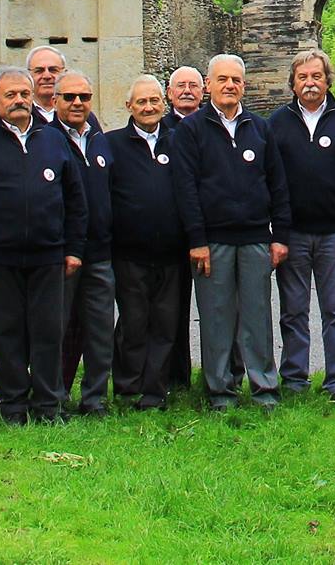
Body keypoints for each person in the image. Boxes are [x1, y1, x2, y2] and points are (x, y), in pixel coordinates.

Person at [0, 67, 85, 423]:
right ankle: (12, 404)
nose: (20, 101)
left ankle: (47, 404)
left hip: (48, 255)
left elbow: (76, 200)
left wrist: (73, 249)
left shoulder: (54, 141)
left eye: (24, 94)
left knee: (48, 332)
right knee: (8, 333)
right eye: (10, 95)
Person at [172, 53, 290, 411]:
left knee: (258, 317)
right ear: (208, 85)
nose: (229, 86)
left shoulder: (259, 127)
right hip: (213, 241)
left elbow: (277, 184)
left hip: (255, 238)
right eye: (222, 79)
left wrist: (279, 235)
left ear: (244, 85)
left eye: (235, 80)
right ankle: (221, 390)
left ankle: (264, 387)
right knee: (216, 318)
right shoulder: (191, 130)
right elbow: (186, 189)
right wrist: (197, 241)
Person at [266, 49, 335, 404]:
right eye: (303, 77)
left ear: (327, 80)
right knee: (293, 311)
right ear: (293, 83)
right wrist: (276, 232)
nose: (310, 83)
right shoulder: (275, 124)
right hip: (291, 234)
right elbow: (270, 182)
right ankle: (294, 378)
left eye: (316, 76)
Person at [107, 75, 186, 411]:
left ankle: (155, 390)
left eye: (154, 101)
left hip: (171, 253)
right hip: (129, 253)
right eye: (142, 102)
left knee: (166, 325)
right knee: (133, 323)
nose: (149, 107)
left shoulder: (180, 141)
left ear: (163, 103)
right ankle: (127, 388)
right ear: (129, 107)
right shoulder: (111, 144)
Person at [54, 71, 116, 416]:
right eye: (69, 97)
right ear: (55, 100)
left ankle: (95, 397)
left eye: (84, 97)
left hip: (100, 252)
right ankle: (56, 395)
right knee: (59, 329)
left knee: (99, 329)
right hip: (63, 253)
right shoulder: (46, 138)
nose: (77, 103)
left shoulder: (99, 139)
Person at [164, 63, 206, 390]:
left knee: (216, 310)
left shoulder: (212, 126)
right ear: (169, 93)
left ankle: (220, 378)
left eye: (193, 85)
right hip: (169, 234)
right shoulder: (158, 127)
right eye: (180, 86)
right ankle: (175, 378)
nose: (187, 91)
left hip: (209, 232)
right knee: (171, 310)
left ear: (203, 90)